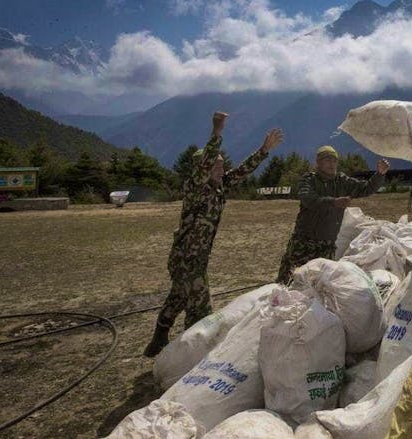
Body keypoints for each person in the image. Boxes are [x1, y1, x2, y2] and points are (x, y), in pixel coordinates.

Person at [144, 111, 283, 357]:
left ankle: (158, 338)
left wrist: (263, 150)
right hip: (186, 260)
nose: (221, 168)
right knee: (200, 311)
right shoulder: (195, 188)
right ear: (204, 168)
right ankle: (193, 358)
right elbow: (206, 161)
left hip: (195, 259)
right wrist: (216, 133)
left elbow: (242, 171)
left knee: (178, 297)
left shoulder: (220, 187)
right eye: (215, 165)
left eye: (222, 164)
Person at [276, 146, 389, 284]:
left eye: (334, 160)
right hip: (304, 243)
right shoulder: (308, 180)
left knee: (320, 285)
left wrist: (380, 174)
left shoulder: (342, 181)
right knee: (289, 280)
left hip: (327, 245)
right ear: (318, 163)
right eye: (327, 160)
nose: (331, 164)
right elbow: (309, 200)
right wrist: (333, 202)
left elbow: (366, 188)